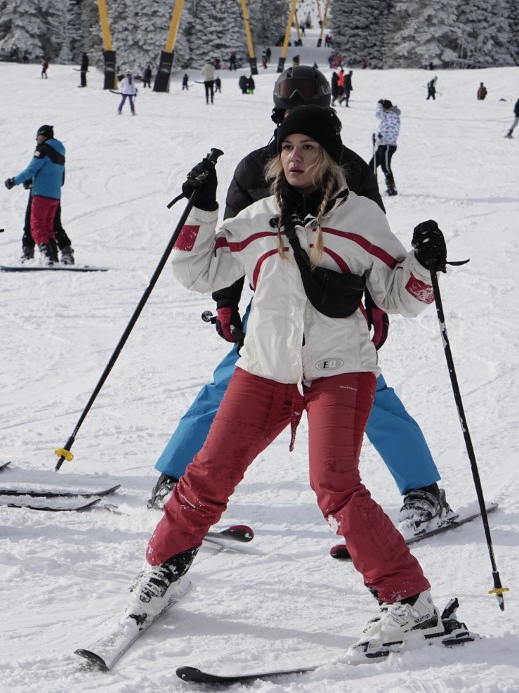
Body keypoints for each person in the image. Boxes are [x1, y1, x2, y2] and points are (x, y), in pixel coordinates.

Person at [125, 105, 454, 659]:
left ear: (329, 157)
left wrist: (422, 263)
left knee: (335, 484)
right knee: (208, 472)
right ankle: (163, 568)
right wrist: (201, 209)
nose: (295, 157)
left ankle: (410, 600)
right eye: (287, 147)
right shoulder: (259, 217)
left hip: (340, 369)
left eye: (308, 147)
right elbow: (197, 271)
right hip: (264, 368)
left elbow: (402, 297)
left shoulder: (363, 218)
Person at [148, 67, 456, 538]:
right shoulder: (254, 166)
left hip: (336, 307)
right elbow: (228, 242)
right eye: (289, 105)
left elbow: (372, 245)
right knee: (228, 387)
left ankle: (423, 490)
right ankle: (175, 477)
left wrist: (377, 304)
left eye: (307, 106)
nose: (297, 149)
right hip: (272, 304)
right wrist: (227, 302)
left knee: (367, 392)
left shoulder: (349, 165)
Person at [5, 124, 72, 265]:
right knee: (49, 226)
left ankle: (47, 256)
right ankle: (52, 257)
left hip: (41, 194)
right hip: (55, 196)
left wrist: (14, 181)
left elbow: (31, 170)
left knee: (36, 226)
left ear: (43, 135)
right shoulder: (60, 152)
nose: (36, 140)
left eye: (37, 137)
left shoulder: (43, 149)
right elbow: (60, 178)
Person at [374, 99, 401, 195]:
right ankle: (371, 187)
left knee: (385, 167)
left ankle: (392, 189)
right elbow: (384, 129)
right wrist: (377, 137)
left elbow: (378, 114)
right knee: (372, 166)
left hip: (387, 145)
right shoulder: (390, 115)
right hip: (383, 144)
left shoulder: (391, 115)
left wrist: (379, 104)